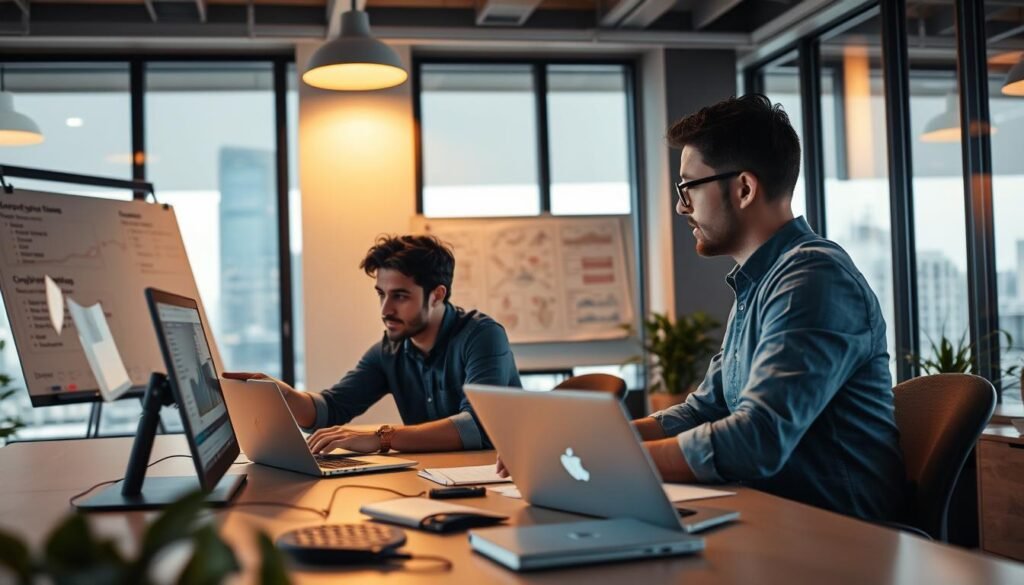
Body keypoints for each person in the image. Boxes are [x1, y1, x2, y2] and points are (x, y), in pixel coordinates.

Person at [501, 94, 905, 522]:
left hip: (842, 541)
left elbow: (758, 438)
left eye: (688, 187)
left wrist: (601, 459)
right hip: (771, 523)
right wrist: (576, 438)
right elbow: (704, 410)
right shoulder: (760, 285)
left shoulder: (813, 279)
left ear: (744, 189)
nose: (680, 205)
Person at [227, 234, 520, 455]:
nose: (385, 309)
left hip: (494, 481)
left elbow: (479, 426)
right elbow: (332, 408)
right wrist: (285, 396)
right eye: (381, 294)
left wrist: (382, 437)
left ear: (436, 295)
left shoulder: (482, 336)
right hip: (434, 479)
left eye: (400, 296)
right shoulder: (389, 351)